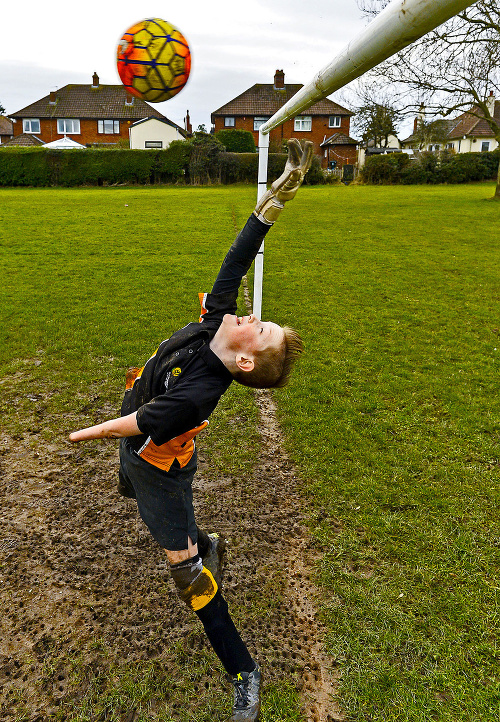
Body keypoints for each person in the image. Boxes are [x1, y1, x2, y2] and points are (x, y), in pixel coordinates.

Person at [69, 138, 313, 721]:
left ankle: (244, 672)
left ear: (245, 362)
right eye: (257, 316)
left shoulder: (202, 390)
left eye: (260, 329)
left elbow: (140, 423)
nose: (250, 316)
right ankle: (201, 539)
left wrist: (89, 432)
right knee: (133, 482)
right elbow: (236, 261)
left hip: (159, 472)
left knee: (182, 565)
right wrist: (270, 206)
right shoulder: (217, 322)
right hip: (140, 458)